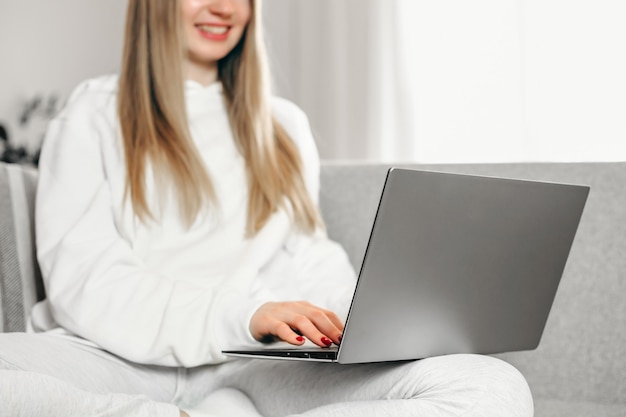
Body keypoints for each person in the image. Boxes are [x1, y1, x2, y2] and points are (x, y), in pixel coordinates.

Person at [0, 0, 534, 416]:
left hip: (247, 368)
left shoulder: (283, 126)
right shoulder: (93, 112)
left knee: (491, 387)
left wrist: (361, 323)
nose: (225, 9)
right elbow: (85, 280)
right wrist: (242, 315)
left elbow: (307, 257)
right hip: (114, 359)